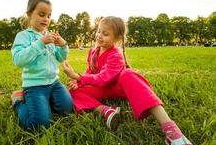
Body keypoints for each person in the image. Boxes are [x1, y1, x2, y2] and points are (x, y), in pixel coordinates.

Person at [63, 16, 192, 145]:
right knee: (71, 92)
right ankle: (106, 110)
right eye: (98, 31)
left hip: (118, 88)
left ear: (117, 38)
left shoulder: (115, 54)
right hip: (102, 88)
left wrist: (77, 76)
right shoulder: (92, 52)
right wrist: (78, 82)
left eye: (105, 34)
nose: (99, 36)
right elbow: (90, 73)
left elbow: (103, 78)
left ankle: (171, 129)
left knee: (128, 74)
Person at [11, 0, 73, 131]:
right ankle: (18, 102)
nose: (46, 19)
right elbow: (18, 60)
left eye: (49, 16)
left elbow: (60, 58)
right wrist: (40, 43)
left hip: (54, 82)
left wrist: (63, 46)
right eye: (41, 14)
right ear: (29, 14)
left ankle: (44, 103)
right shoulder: (23, 36)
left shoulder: (50, 35)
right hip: (35, 86)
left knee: (67, 109)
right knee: (40, 125)